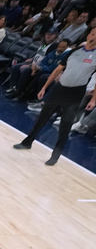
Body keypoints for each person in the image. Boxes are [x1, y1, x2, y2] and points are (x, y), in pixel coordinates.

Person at [14, 26, 96, 165]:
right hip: (59, 89)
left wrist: (94, 99)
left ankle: (55, 156)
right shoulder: (75, 51)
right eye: (93, 33)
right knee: (42, 118)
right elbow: (58, 69)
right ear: (88, 35)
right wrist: (45, 87)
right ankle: (27, 142)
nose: (94, 37)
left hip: (75, 93)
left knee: (65, 125)